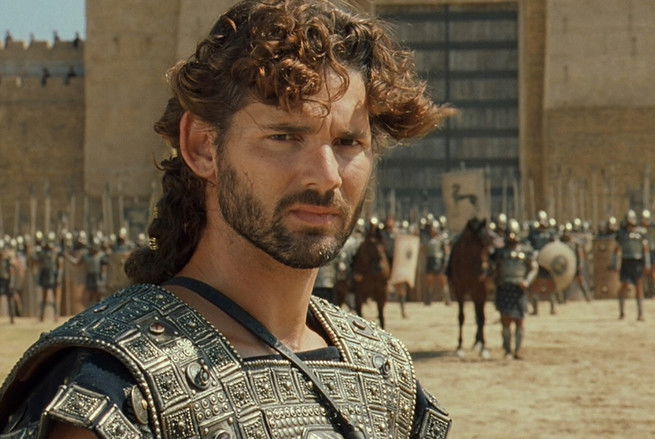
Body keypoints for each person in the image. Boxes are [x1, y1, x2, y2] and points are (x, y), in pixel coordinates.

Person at [0, 2, 453, 438]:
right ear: (203, 147)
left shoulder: (384, 372)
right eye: (284, 136)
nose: (327, 176)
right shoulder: (113, 385)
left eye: (348, 142)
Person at [491, 221, 537, 359]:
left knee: (519, 320)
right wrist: (495, 281)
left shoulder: (526, 250)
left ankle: (517, 350)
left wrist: (527, 281)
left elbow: (533, 268)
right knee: (505, 320)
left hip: (519, 288)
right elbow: (494, 268)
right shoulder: (500, 252)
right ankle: (507, 350)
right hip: (504, 287)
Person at [612, 210, 650, 321]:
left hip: (637, 262)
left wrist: (647, 263)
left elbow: (645, 249)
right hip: (626, 261)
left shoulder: (641, 233)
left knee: (639, 286)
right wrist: (615, 264)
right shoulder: (622, 234)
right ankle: (622, 312)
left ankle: (640, 313)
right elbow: (616, 249)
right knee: (624, 285)